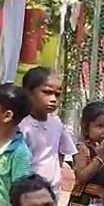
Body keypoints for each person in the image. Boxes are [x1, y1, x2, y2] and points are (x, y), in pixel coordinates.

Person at [17, 67, 76, 196]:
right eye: (47, 92)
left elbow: (63, 150)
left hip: (52, 190)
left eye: (57, 94)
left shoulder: (56, 124)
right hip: (27, 190)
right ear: (28, 93)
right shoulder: (21, 125)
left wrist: (56, 174)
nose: (53, 99)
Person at [66, 101, 104, 206]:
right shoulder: (83, 149)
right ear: (86, 128)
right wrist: (100, 157)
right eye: (99, 126)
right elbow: (82, 177)